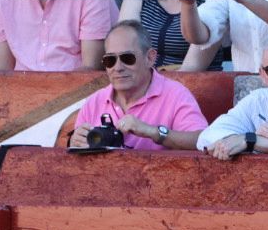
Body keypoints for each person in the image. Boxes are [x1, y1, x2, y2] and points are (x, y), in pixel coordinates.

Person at [67, 20, 208, 149]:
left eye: (127, 58)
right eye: (110, 60)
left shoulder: (176, 95)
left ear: (150, 58)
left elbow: (202, 141)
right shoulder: (94, 101)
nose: (118, 67)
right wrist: (75, 142)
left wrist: (153, 132)